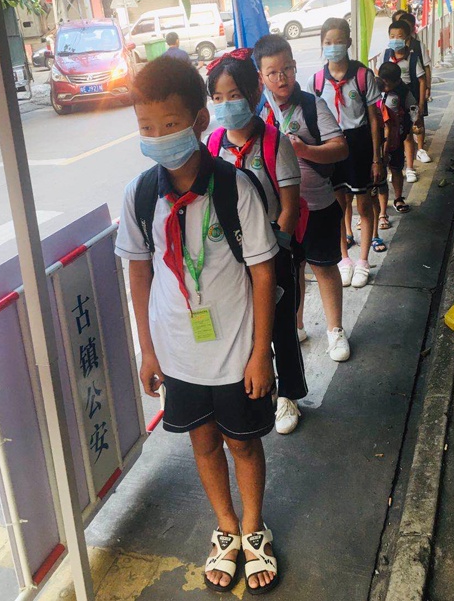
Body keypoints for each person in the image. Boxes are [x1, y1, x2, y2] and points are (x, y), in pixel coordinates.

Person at [115, 56, 280, 594]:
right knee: (203, 441)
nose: (157, 136)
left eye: (169, 124)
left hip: (235, 352)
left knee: (243, 444)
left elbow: (263, 271)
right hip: (178, 353)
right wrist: (148, 349)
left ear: (199, 121)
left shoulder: (236, 188)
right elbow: (139, 271)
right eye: (146, 127)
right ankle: (226, 528)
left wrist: (260, 353)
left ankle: (253, 529)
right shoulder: (141, 195)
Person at [205, 48, 307, 435]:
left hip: (272, 253)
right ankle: (254, 386)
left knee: (280, 328)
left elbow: (290, 206)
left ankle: (289, 396)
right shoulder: (213, 145)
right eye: (218, 97)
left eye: (233, 96)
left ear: (253, 94)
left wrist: (273, 254)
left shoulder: (275, 144)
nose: (225, 104)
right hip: (230, 259)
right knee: (245, 328)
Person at [253, 34, 351, 363]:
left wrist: (304, 149)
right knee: (291, 271)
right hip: (280, 211)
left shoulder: (311, 105)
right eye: (273, 73)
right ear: (261, 76)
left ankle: (335, 330)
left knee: (324, 267)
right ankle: (296, 326)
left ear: (295, 66)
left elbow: (340, 147)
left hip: (318, 204)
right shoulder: (258, 112)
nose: (281, 78)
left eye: (287, 69)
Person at [309, 18, 384, 289]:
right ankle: (344, 259)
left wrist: (377, 158)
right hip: (331, 146)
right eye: (328, 42)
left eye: (339, 42)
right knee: (339, 207)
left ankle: (363, 260)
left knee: (363, 205)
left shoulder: (363, 76)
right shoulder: (317, 81)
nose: (333, 47)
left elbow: (374, 118)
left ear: (349, 42)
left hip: (359, 144)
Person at [383, 20, 426, 183]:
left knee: (407, 135)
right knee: (388, 136)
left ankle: (409, 168)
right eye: (392, 36)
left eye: (399, 36)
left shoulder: (412, 58)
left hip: (405, 97)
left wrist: (420, 105)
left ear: (407, 38)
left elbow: (421, 79)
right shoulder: (385, 55)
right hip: (388, 102)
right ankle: (392, 169)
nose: (395, 39)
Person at [377, 62, 416, 218]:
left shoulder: (403, 91)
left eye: (388, 84)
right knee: (378, 173)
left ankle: (398, 198)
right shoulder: (374, 88)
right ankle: (378, 207)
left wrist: (416, 122)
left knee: (396, 168)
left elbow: (413, 108)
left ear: (397, 81)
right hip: (377, 139)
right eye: (383, 82)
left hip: (395, 139)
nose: (385, 87)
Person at [398, 12, 432, 163]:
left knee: (418, 118)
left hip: (415, 89)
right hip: (398, 93)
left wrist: (427, 87)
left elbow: (426, 68)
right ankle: (406, 151)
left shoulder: (418, 46)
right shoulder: (390, 51)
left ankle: (420, 149)